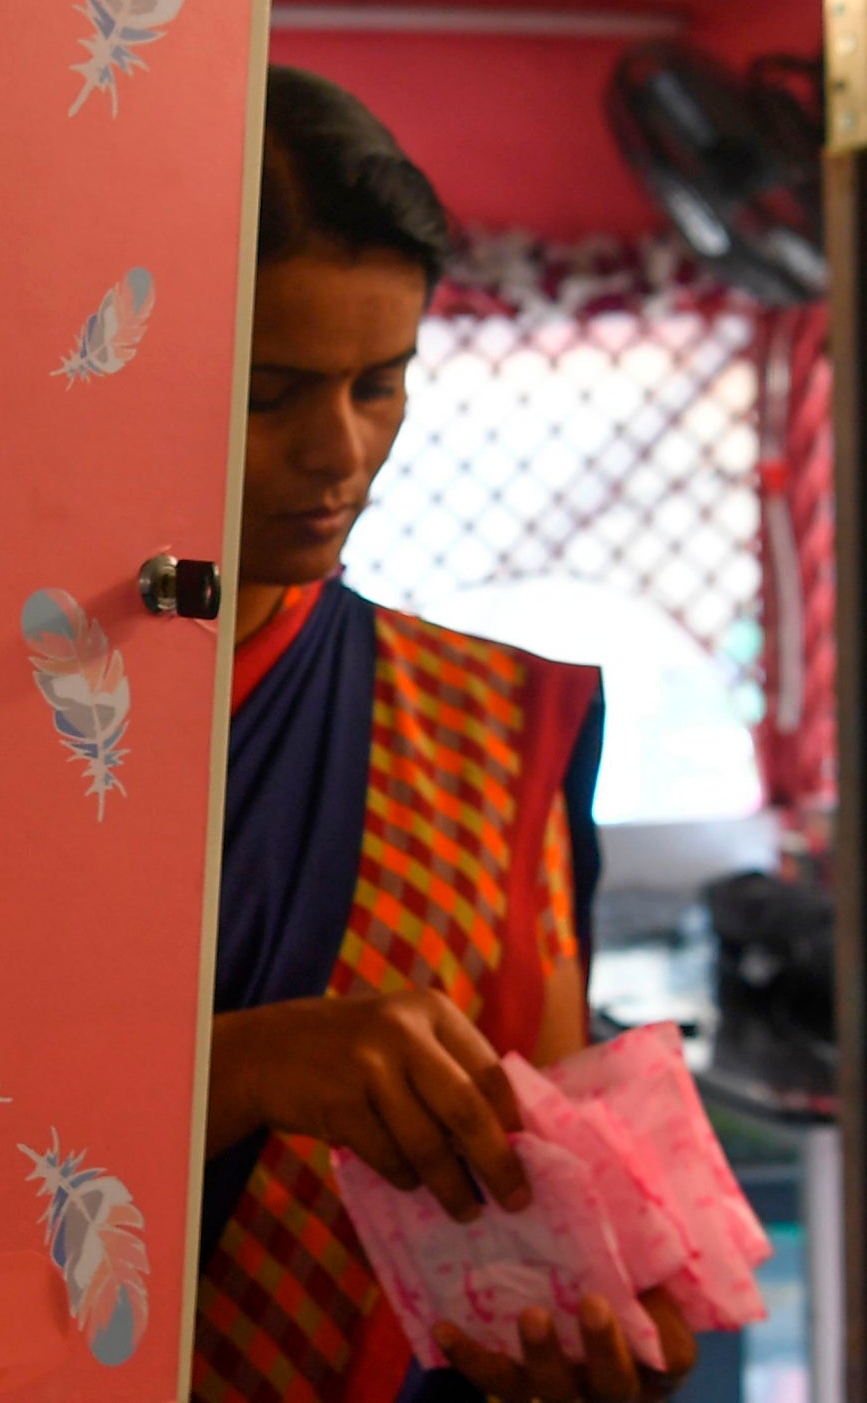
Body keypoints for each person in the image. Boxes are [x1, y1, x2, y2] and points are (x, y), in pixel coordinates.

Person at [189, 68, 699, 1403]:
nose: (339, 449)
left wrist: (609, 1307)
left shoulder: (492, 719)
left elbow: (552, 1149)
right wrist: (243, 1066)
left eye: (380, 380)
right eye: (269, 391)